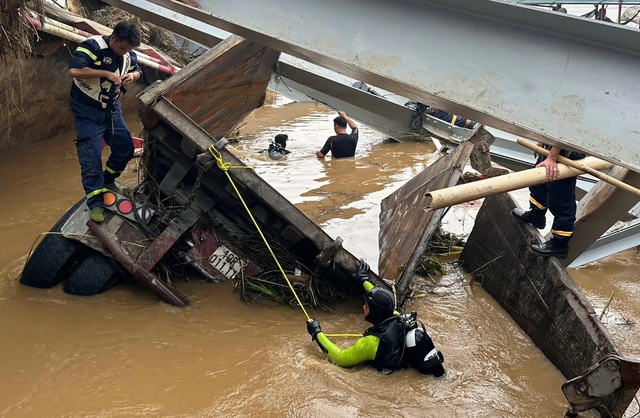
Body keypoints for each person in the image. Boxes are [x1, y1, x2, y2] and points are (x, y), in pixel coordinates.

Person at [305, 260, 446, 376]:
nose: (363, 307)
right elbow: (383, 301)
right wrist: (364, 280)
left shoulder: (370, 343)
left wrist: (317, 333)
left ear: (374, 313)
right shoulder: (398, 317)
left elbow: (339, 358)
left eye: (366, 305)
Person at [68, 21, 143, 223]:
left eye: (127, 50)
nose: (123, 53)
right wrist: (106, 73)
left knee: (125, 148)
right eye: (121, 48)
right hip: (87, 111)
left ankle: (108, 180)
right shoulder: (92, 47)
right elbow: (75, 71)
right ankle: (95, 203)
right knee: (91, 156)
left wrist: (132, 76)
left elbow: (138, 70)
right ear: (113, 38)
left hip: (111, 110)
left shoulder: (128, 54)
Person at [511, 144, 585, 259]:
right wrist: (543, 142)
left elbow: (566, 131)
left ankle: (559, 244)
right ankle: (536, 214)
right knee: (538, 181)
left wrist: (552, 156)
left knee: (560, 198)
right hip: (554, 147)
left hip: (566, 149)